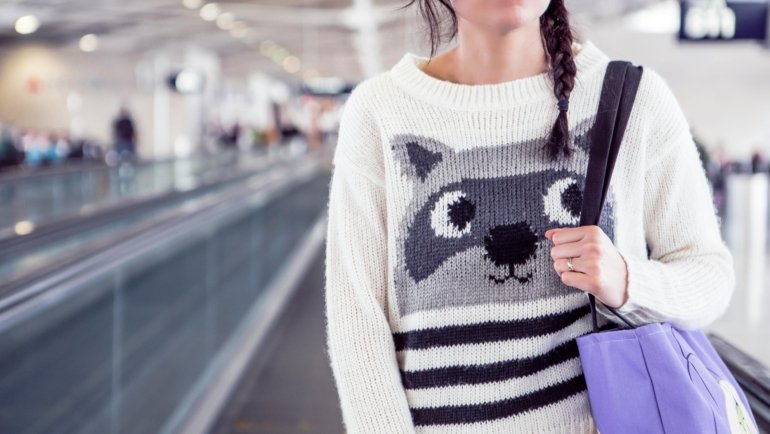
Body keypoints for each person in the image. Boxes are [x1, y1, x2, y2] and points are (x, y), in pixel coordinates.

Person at [323, 1, 735, 433]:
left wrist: (629, 281)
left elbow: (708, 275)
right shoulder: (380, 112)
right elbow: (358, 323)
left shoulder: (632, 99)